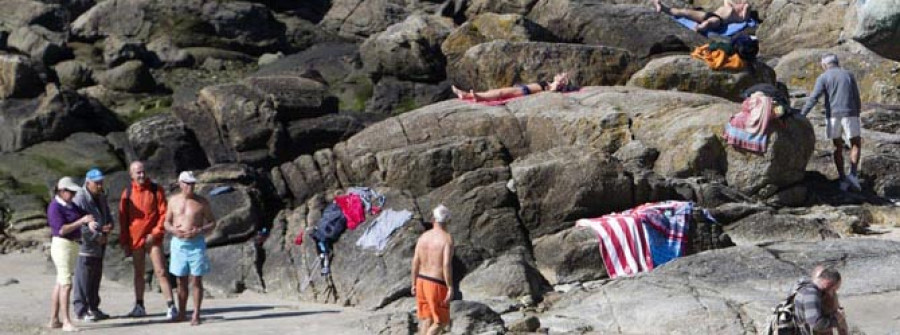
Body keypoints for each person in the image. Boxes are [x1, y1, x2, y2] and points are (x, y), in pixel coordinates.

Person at [118, 161, 177, 319]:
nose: (141, 175)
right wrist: (125, 242)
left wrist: (156, 233)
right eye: (138, 172)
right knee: (139, 273)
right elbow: (123, 219)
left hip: (153, 238)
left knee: (161, 271)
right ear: (131, 175)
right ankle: (139, 305)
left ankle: (171, 306)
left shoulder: (156, 189)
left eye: (143, 172)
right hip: (135, 239)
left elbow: (164, 213)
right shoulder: (127, 192)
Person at [800, 54, 863, 192]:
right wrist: (857, 113)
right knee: (856, 143)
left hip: (832, 116)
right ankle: (853, 174)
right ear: (837, 62)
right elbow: (856, 97)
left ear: (824, 65)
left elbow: (814, 98)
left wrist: (802, 115)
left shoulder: (823, 78)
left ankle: (842, 179)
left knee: (837, 147)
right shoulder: (848, 75)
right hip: (850, 113)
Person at [164, 171, 216, 325]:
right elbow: (166, 222)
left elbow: (212, 222)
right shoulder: (173, 201)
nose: (190, 186)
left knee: (197, 280)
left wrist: (199, 230)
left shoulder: (201, 202)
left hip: (196, 244)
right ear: (180, 184)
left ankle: (196, 314)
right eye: (187, 183)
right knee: (181, 280)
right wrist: (173, 230)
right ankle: (181, 313)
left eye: (192, 183)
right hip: (179, 244)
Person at [47, 177, 95, 332]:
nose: (73, 194)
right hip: (62, 245)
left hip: (72, 245)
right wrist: (81, 222)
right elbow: (61, 229)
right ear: (62, 191)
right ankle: (66, 321)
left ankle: (54, 319)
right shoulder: (54, 207)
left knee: (61, 282)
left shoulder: (71, 205)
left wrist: (90, 222)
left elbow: (85, 215)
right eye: (71, 192)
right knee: (66, 283)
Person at [71, 169, 114, 322]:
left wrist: (108, 227)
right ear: (88, 182)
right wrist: (97, 237)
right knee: (83, 277)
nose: (100, 185)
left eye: (101, 182)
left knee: (95, 277)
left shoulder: (101, 196)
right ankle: (81, 310)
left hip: (100, 243)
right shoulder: (80, 198)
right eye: (97, 183)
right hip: (85, 245)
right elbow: (79, 224)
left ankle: (93, 308)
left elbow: (108, 216)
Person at [410, 205, 455, 335]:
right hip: (436, 283)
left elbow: (415, 261)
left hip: (421, 281)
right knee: (440, 321)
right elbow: (446, 264)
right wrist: (450, 287)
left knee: (427, 319)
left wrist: (413, 283)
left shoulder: (423, 237)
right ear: (448, 221)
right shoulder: (447, 239)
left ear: (433, 219)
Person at [793, 266, 849, 335]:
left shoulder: (813, 291)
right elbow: (816, 324)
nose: (833, 293)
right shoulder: (811, 294)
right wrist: (836, 320)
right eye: (833, 289)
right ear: (827, 283)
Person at [452, 72, 571, 102]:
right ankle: (465, 94)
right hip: (522, 88)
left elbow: (550, 93)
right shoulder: (549, 83)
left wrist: (560, 85)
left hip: (524, 92)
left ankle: (479, 97)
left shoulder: (553, 88)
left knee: (500, 93)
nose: (559, 76)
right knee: (496, 91)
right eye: (560, 74)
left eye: (562, 77)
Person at [654, 0, 751, 33]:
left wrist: (746, 6)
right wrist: (737, 4)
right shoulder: (729, 6)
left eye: (743, 3)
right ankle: (663, 8)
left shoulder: (739, 17)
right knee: (685, 12)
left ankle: (699, 28)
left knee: (709, 23)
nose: (741, 2)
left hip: (719, 20)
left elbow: (745, 17)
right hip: (708, 14)